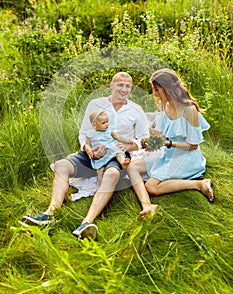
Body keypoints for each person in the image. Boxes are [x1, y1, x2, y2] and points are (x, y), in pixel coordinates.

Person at [22, 71, 159, 239]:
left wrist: (127, 145)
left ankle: (86, 222)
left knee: (112, 174)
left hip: (115, 154)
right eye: (120, 85)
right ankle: (50, 214)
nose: (124, 89)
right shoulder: (96, 104)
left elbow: (143, 138)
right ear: (111, 85)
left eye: (128, 86)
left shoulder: (135, 110)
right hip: (91, 151)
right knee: (61, 165)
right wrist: (88, 149)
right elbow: (84, 133)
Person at [127, 68, 215, 205]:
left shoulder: (189, 110)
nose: (154, 93)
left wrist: (168, 143)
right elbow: (163, 133)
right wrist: (147, 135)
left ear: (167, 88)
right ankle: (147, 206)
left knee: (151, 187)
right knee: (132, 167)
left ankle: (199, 184)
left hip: (186, 158)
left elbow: (193, 146)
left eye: (157, 89)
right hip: (168, 153)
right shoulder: (165, 104)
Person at [84, 109, 131, 181]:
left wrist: (127, 141)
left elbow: (118, 137)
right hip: (100, 154)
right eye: (103, 123)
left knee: (118, 153)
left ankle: (122, 162)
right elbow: (87, 144)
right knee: (100, 170)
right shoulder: (90, 134)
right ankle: (100, 184)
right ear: (94, 124)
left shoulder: (109, 130)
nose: (106, 124)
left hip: (112, 149)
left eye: (107, 122)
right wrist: (88, 150)